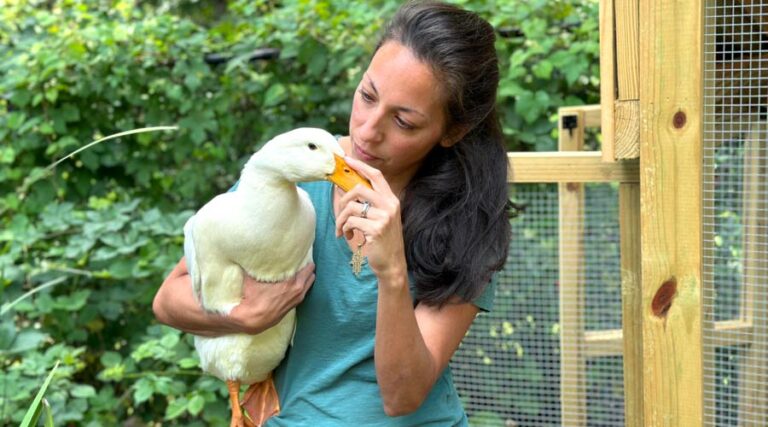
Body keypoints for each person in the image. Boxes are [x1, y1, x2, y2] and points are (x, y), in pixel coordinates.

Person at [153, 0, 511, 425]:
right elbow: (168, 300)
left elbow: (403, 396)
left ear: (453, 131)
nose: (366, 129)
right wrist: (245, 315)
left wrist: (393, 271)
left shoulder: (467, 218)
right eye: (367, 95)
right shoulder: (297, 171)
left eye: (404, 122)